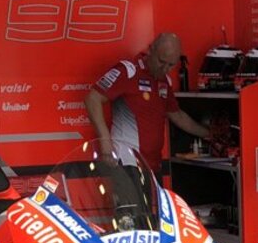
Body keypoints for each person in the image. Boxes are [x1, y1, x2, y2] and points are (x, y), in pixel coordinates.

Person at [84, 32, 210, 176]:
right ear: (150, 50)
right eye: (161, 61)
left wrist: (209, 134)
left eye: (171, 65)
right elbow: (92, 99)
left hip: (152, 165)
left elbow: (177, 115)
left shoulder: (164, 81)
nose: (165, 69)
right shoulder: (129, 71)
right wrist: (105, 141)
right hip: (126, 163)